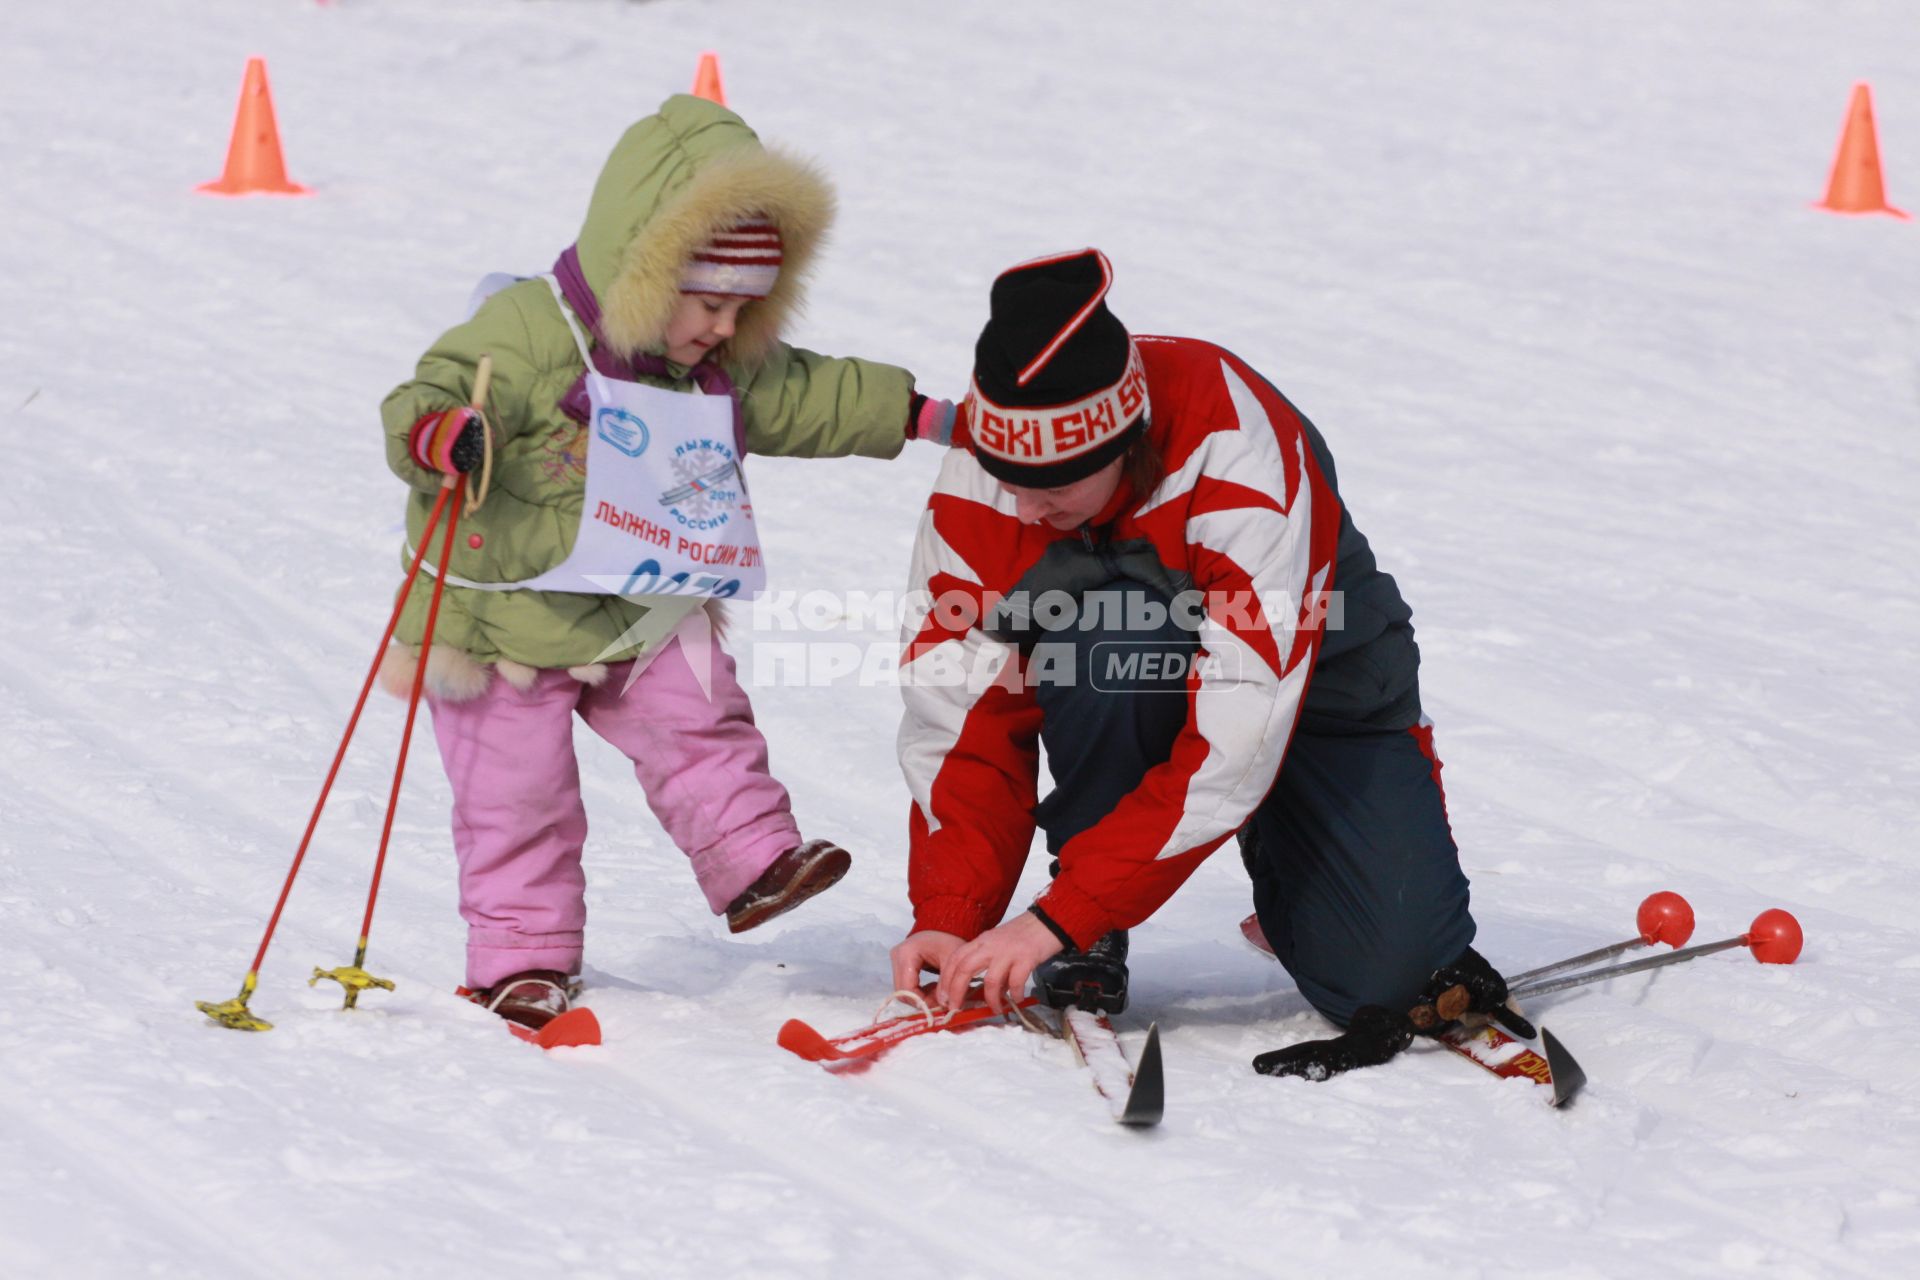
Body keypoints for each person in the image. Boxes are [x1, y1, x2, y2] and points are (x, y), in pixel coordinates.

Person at [380, 95, 958, 1031]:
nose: (724, 327)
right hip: (496, 620)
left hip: (640, 599)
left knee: (704, 718)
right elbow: (426, 396)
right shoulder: (522, 334)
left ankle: (754, 861)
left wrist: (928, 417)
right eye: (709, 303)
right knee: (516, 798)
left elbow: (809, 393)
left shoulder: (713, 363)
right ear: (644, 273)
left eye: (743, 309)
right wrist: (443, 433)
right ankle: (521, 958)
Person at [888, 248, 1528, 1080]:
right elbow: (958, 711)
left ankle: (1282, 854)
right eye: (1009, 479)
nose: (1025, 506)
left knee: (1391, 978)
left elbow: (1239, 732)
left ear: (1128, 439)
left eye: (1055, 488)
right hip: (1131, 673)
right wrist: (954, 910)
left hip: (1313, 693)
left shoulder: (1237, 454)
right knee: (1113, 643)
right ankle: (1103, 903)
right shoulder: (986, 476)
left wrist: (1052, 918)